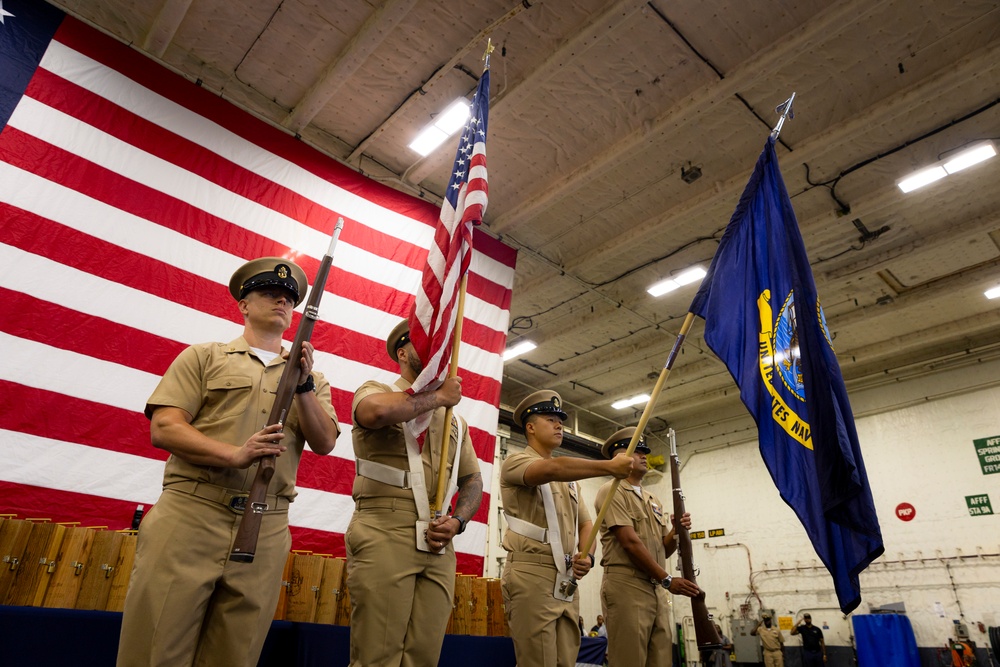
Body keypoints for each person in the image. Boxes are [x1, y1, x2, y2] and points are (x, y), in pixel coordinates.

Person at [117, 257, 340, 667]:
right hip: (193, 512)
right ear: (243, 303)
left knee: (235, 652)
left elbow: (325, 441)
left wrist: (304, 383)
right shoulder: (205, 357)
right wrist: (234, 454)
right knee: (155, 645)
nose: (281, 302)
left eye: (289, 299)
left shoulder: (314, 379)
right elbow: (165, 427)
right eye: (270, 293)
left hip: (266, 525)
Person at [346, 319, 483, 667]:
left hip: (439, 538)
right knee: (377, 655)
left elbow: (472, 480)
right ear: (403, 352)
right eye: (429, 343)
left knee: (424, 656)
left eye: (443, 344)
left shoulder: (455, 420)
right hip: (384, 527)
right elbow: (374, 412)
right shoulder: (376, 389)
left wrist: (458, 521)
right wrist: (437, 396)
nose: (440, 351)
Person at [500, 390, 633, 667]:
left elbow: (586, 523)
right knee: (538, 660)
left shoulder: (572, 482)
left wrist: (587, 554)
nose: (559, 424)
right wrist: (609, 467)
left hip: (566, 577)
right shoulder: (516, 462)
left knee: (566, 660)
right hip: (531, 572)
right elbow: (551, 470)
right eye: (550, 419)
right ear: (530, 427)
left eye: (560, 420)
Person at [594, 427, 701, 667]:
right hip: (627, 585)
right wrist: (666, 579)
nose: (643, 455)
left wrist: (676, 531)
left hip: (655, 588)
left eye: (644, 451)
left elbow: (663, 549)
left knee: (661, 661)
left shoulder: (653, 500)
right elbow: (630, 543)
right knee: (629, 661)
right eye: (636, 451)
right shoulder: (611, 491)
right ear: (618, 458)